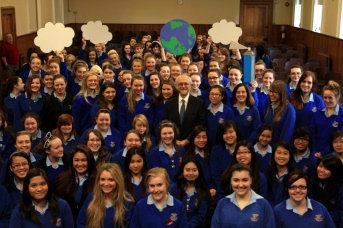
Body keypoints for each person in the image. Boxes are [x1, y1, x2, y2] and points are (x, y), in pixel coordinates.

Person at [211, 163, 275, 228]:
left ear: (251, 180)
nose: (240, 185)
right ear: (231, 181)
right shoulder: (222, 203)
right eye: (236, 180)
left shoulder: (263, 204)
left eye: (245, 180)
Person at [9, 168, 74, 227]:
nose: (39, 189)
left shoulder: (62, 205)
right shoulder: (19, 211)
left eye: (43, 184)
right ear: (27, 188)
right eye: (34, 185)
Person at [77, 163, 134, 228]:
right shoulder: (91, 197)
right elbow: (80, 223)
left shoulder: (127, 202)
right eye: (102, 179)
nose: (106, 184)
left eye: (111, 180)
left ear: (118, 181)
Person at [54, 144, 97, 226]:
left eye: (84, 160)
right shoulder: (61, 179)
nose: (80, 164)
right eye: (76, 160)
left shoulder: (98, 180)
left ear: (90, 161)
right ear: (72, 161)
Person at [164, 74, 206, 147]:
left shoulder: (199, 103)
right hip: (173, 143)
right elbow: (166, 123)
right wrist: (174, 139)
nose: (183, 86)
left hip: (192, 144)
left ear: (190, 85)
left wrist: (188, 140)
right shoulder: (169, 103)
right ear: (176, 86)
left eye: (186, 84)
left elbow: (200, 125)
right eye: (180, 84)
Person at [169, 156, 208, 227]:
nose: (191, 173)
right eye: (187, 170)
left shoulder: (203, 191)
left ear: (199, 171)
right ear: (182, 171)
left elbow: (200, 215)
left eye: (194, 170)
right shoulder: (174, 188)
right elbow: (171, 211)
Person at [311, 80, 343, 157]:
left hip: (334, 153)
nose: (327, 100)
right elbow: (312, 133)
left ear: (337, 97)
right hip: (316, 152)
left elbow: (340, 139)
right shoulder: (318, 113)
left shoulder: (342, 114)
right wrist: (315, 151)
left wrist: (324, 153)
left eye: (330, 98)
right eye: (325, 97)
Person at [210, 121, 242, 190]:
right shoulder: (216, 151)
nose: (228, 135)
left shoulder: (243, 149)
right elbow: (215, 174)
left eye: (231, 132)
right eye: (225, 133)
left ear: (236, 132)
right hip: (222, 189)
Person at [312, 155, 343, 226]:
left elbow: (340, 213)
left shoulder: (340, 189)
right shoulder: (312, 183)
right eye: (320, 166)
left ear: (335, 171)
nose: (321, 170)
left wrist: (321, 215)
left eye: (326, 168)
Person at [264, 80, 296, 146]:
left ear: (281, 93)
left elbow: (287, 134)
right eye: (270, 91)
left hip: (280, 149)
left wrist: (280, 149)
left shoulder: (289, 110)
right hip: (268, 147)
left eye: (274, 92)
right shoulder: (271, 107)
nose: (271, 94)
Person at [266, 142, 297, 207]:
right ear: (274, 154)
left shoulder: (295, 176)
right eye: (279, 153)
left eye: (285, 153)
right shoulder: (268, 174)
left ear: (290, 156)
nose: (282, 156)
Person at [72, 70, 99, 136]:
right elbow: (76, 120)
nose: (93, 82)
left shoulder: (100, 96)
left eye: (95, 80)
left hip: (99, 132)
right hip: (85, 132)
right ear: (85, 82)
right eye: (90, 80)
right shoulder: (79, 99)